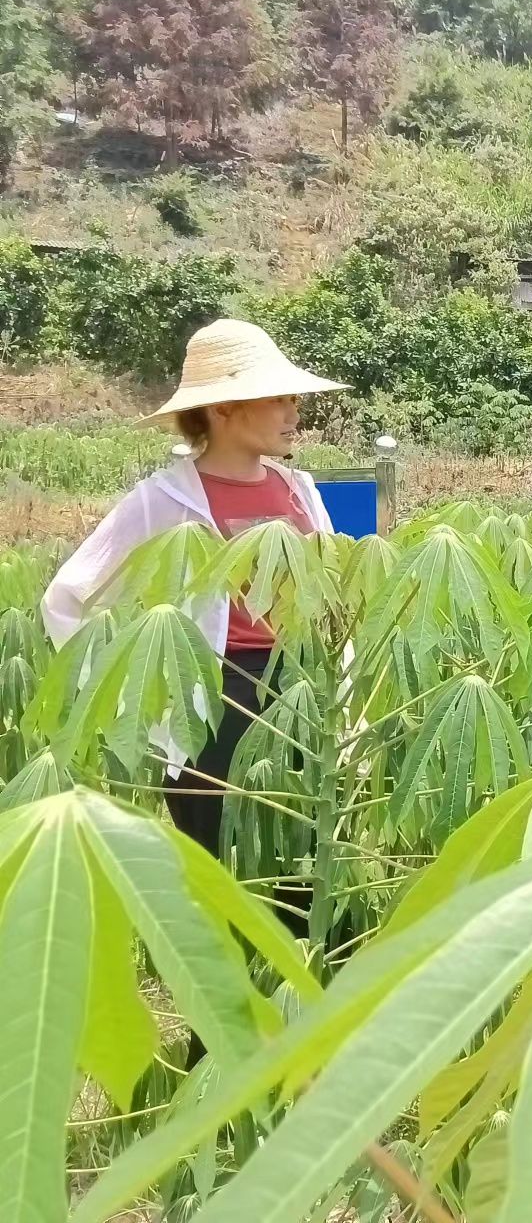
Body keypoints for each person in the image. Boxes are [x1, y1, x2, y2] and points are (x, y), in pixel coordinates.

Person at [43, 318, 349, 939]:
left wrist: (345, 698)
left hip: (299, 693)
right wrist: (136, 697)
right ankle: (215, 1032)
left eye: (295, 399)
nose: (295, 413)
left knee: (299, 876)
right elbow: (68, 598)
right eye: (280, 398)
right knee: (216, 882)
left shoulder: (302, 490)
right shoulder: (164, 499)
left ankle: (295, 1016)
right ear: (226, 408)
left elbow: (333, 602)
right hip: (212, 697)